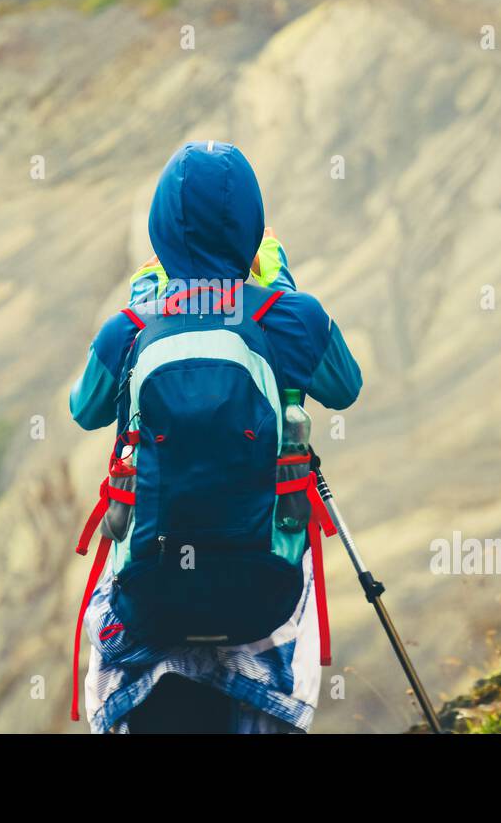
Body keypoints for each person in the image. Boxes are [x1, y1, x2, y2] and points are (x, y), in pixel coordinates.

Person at [69, 140, 362, 733]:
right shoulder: (287, 317)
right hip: (264, 597)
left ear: (159, 233)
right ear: (252, 230)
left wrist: (142, 306)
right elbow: (345, 386)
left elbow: (84, 409)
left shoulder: (129, 329)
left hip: (151, 599)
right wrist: (282, 284)